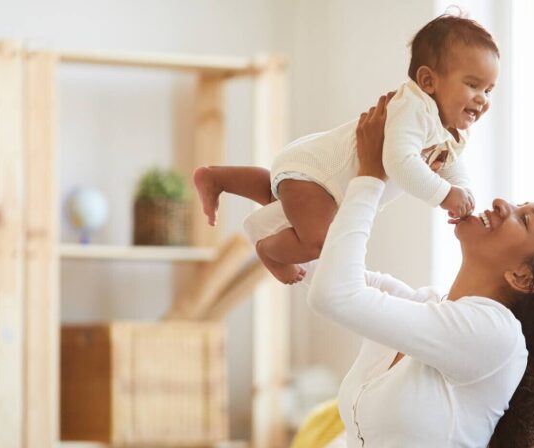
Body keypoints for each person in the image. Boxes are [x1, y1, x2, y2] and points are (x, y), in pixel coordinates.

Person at [305, 93, 534, 448]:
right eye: (519, 205)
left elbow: (333, 293)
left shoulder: (495, 336)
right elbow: (316, 266)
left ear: (523, 277)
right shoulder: (426, 306)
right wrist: (396, 168)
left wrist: (371, 177)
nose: (503, 204)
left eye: (524, 218)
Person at [193, 14, 498, 284]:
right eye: (472, 85)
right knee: (321, 242)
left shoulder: (450, 129)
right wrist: (444, 195)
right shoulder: (413, 110)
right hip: (318, 173)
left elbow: (449, 162)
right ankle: (269, 251)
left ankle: (218, 178)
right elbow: (399, 162)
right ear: (428, 80)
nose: (482, 98)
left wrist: (463, 189)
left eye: (488, 90)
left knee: (277, 196)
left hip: (323, 181)